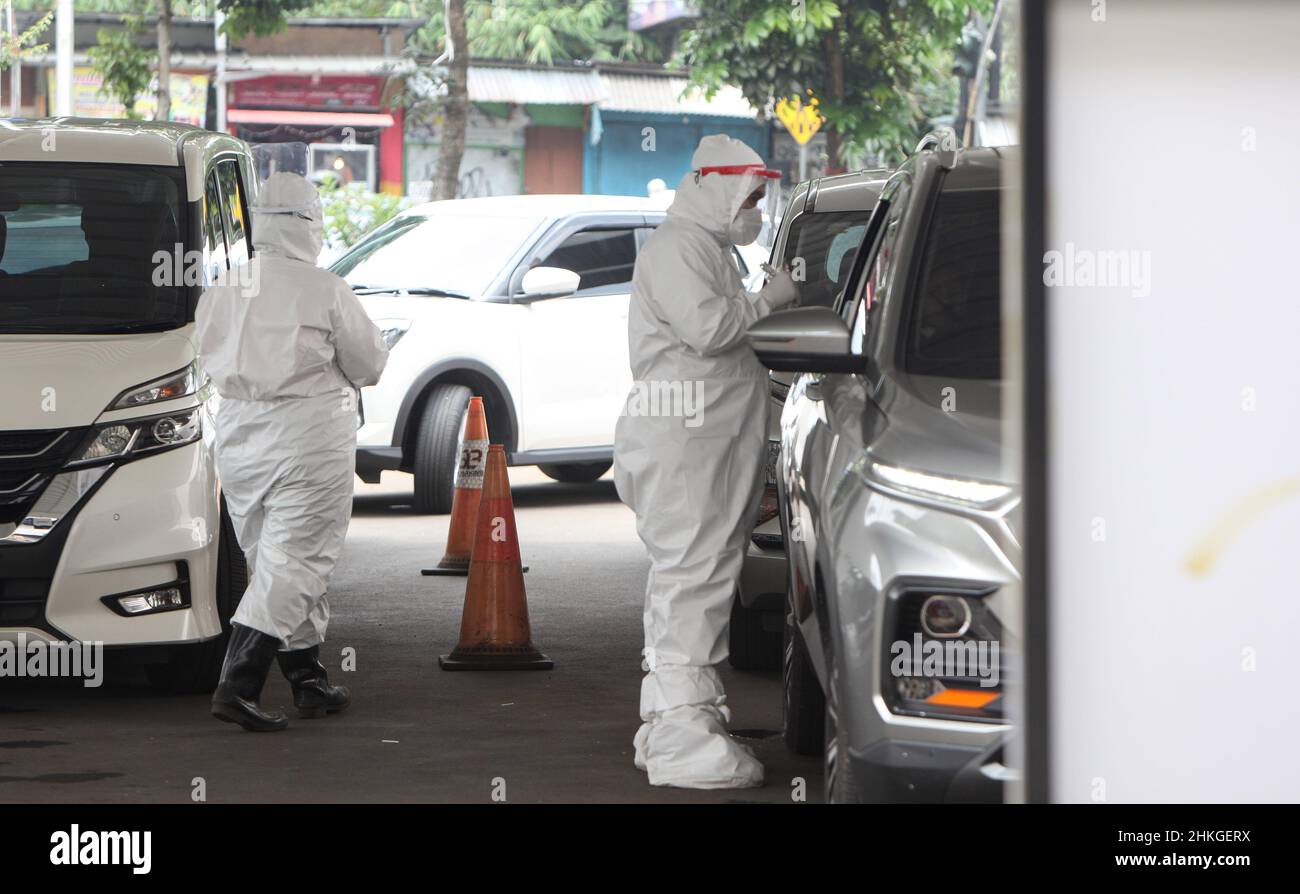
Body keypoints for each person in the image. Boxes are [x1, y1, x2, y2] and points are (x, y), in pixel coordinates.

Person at [614, 135, 799, 788]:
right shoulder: (681, 248)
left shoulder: (704, 246)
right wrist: (768, 302)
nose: (755, 208)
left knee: (693, 579)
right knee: (692, 579)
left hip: (701, 448)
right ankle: (681, 741)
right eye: (750, 195)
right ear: (715, 186)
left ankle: (676, 720)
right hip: (685, 449)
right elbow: (711, 331)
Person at [196, 172, 388, 732]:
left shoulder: (223, 286)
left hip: (238, 437)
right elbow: (370, 366)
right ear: (308, 223)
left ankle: (308, 681)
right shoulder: (324, 288)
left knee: (273, 562)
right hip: (308, 440)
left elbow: (204, 354)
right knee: (298, 561)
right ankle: (238, 684)